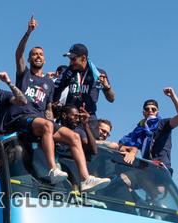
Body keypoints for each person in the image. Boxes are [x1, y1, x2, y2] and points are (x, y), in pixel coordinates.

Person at [9, 15, 109, 191]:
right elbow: (18, 54)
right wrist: (28, 32)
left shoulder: (49, 84)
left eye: (41, 54)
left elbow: (48, 108)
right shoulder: (24, 75)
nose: (37, 56)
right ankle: (53, 169)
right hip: (23, 119)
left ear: (45, 60)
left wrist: (52, 116)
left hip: (41, 123)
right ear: (30, 58)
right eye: (34, 54)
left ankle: (86, 179)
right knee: (47, 125)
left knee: (74, 137)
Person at [118, 88, 178, 168]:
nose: (150, 111)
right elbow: (122, 144)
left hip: (160, 168)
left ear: (157, 112)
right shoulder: (140, 130)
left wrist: (172, 96)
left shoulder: (163, 124)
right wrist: (129, 151)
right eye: (147, 109)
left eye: (153, 109)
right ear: (143, 112)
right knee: (123, 178)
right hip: (146, 168)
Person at [53, 43, 115, 121]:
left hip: (89, 117)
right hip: (70, 118)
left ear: (83, 58)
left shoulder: (98, 74)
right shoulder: (68, 72)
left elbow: (111, 99)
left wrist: (107, 87)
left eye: (73, 59)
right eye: (70, 59)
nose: (70, 63)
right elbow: (55, 91)